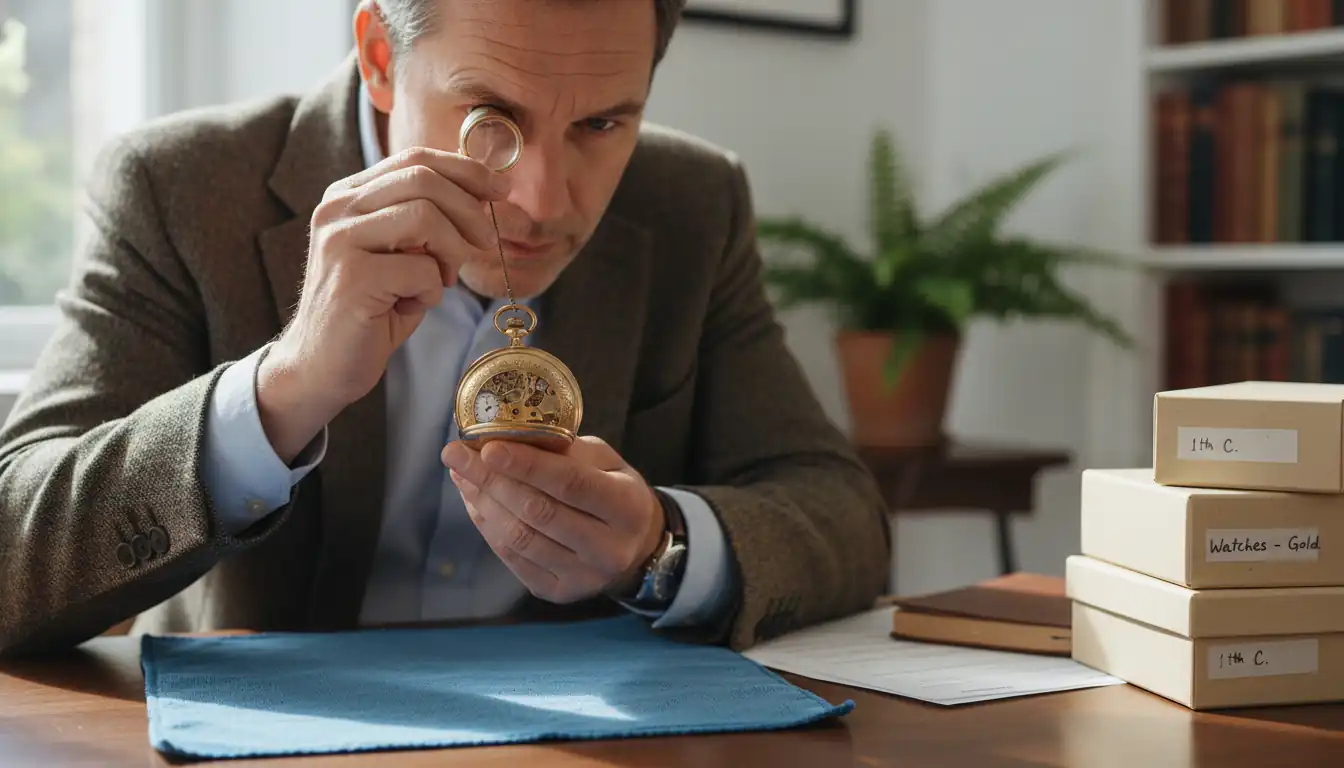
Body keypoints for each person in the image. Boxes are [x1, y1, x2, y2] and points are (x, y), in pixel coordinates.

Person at [0, 0, 890, 657]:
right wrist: (283, 389)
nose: (541, 201)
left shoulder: (695, 204)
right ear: (380, 58)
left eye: (601, 123)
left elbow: (843, 513)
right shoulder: (180, 189)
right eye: (490, 120)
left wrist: (659, 544)